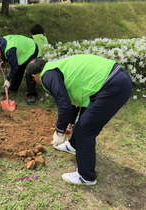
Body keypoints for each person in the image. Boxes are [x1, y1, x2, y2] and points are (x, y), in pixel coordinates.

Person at [25, 54, 132, 185]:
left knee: (84, 132)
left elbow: (64, 105)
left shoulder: (47, 75)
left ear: (34, 76)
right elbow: (71, 101)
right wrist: (69, 123)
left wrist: (59, 131)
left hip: (112, 86)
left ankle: (86, 176)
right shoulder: (57, 67)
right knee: (82, 124)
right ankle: (73, 146)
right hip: (114, 78)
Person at [0, 35, 39, 105]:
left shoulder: (9, 50)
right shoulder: (0, 43)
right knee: (19, 69)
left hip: (30, 48)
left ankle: (31, 95)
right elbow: (5, 54)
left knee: (29, 71)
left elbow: (14, 67)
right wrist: (5, 60)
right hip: (21, 50)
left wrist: (8, 79)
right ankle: (13, 89)